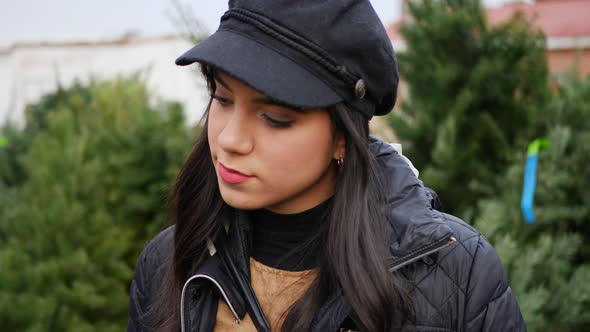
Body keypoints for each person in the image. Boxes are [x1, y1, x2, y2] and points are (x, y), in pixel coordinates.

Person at [127, 0, 526, 331]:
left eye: (275, 119)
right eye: (222, 98)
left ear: (342, 136)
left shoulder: (454, 272)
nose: (231, 139)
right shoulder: (169, 262)